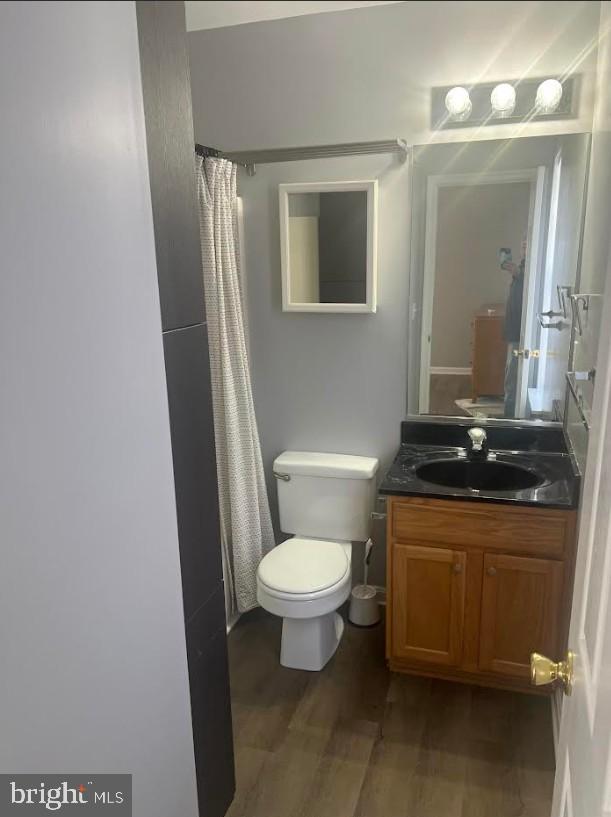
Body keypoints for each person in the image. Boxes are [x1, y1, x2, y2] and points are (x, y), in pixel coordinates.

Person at [502, 238, 526, 417]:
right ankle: (509, 415)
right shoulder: (523, 267)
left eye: (528, 242)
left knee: (512, 380)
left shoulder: (529, 270)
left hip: (521, 333)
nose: (524, 245)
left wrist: (519, 274)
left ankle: (508, 421)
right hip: (514, 332)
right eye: (523, 242)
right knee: (510, 375)